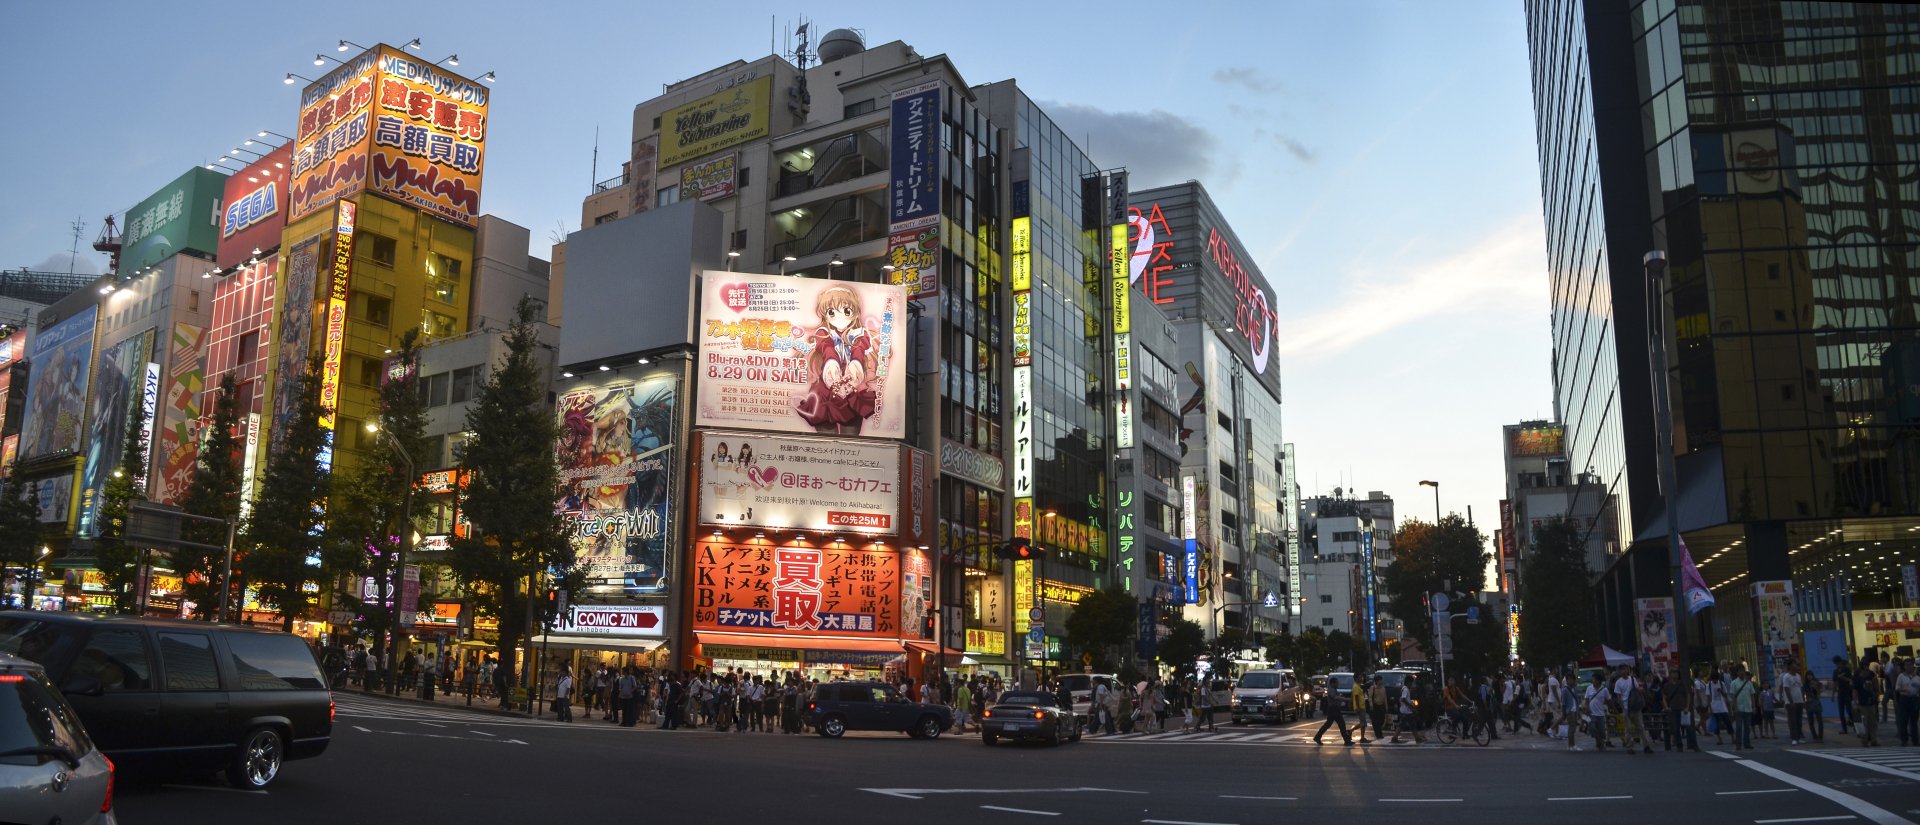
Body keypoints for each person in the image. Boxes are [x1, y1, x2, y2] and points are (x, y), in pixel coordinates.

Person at [1315, 676, 1353, 746]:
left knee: (1330, 724)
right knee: (1340, 724)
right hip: (1333, 709)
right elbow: (1335, 697)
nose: (1338, 684)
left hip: (1335, 709)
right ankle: (1347, 740)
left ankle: (1317, 737)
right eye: (1337, 683)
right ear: (1333, 683)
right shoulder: (1331, 690)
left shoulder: (1334, 689)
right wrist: (1346, 699)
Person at [1777, 662, 1805, 745]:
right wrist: (1791, 701)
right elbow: (1786, 689)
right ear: (1790, 666)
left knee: (1799, 721)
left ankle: (1799, 737)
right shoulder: (1786, 677)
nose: (1796, 666)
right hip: (1791, 702)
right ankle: (1794, 738)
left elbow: (1801, 688)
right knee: (1793, 721)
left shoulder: (1798, 676)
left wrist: (1803, 699)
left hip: (1799, 701)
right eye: (1795, 664)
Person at [1729, 667, 1757, 750]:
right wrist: (1735, 707)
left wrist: (1754, 706)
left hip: (1748, 707)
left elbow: (1752, 695)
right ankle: (1738, 744)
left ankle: (1747, 743)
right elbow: (1733, 696)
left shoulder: (1749, 683)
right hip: (1739, 708)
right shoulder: (1734, 683)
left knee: (1747, 727)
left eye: (1743, 671)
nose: (1741, 672)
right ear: (1737, 672)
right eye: (1739, 671)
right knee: (1739, 727)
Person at [1893, 659, 1919, 747]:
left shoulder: (1917, 677)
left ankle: (1915, 740)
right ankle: (1904, 740)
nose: (1908, 667)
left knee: (1914, 722)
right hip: (1904, 699)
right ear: (1904, 666)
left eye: (1910, 665)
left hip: (1914, 699)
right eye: (1906, 665)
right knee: (1903, 721)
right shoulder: (1901, 676)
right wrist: (1904, 689)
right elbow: (1897, 688)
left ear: (1913, 666)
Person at [1855, 662, 1881, 746]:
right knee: (1864, 723)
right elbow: (1855, 691)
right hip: (1862, 704)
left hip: (1871, 703)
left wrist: (1877, 695)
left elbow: (1876, 687)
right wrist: (1855, 702)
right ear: (1861, 670)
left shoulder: (1871, 677)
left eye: (1867, 670)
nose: (1866, 672)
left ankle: (1874, 739)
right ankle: (1864, 740)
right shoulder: (1858, 679)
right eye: (1864, 670)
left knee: (1873, 722)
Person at [1584, 672, 1611, 751]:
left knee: (1601, 730)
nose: (1593, 681)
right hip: (1591, 713)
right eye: (1592, 679)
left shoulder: (1604, 689)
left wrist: (1612, 708)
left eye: (1594, 679)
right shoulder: (1589, 688)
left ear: (1598, 681)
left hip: (1601, 713)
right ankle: (1601, 742)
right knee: (1592, 728)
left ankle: (1598, 743)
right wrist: (1586, 707)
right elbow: (1586, 699)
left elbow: (1608, 700)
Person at [1349, 675, 1371, 744]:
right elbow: (1356, 697)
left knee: (1363, 722)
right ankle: (1362, 738)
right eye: (1360, 677)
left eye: (1362, 677)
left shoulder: (1358, 686)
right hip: (1360, 707)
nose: (1362, 678)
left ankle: (1350, 731)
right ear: (1356, 678)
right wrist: (1357, 707)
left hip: (1362, 706)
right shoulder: (1355, 686)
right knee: (1363, 723)